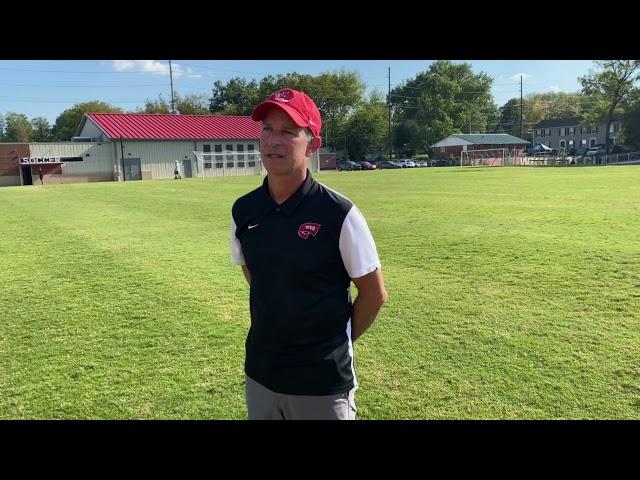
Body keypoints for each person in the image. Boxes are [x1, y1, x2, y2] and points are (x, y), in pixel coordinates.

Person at [230, 88, 388, 420]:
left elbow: (374, 294)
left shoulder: (339, 213)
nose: (274, 141)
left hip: (321, 383)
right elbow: (256, 277)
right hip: (261, 373)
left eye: (288, 131)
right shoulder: (244, 210)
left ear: (312, 143)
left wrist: (330, 343)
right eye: (268, 129)